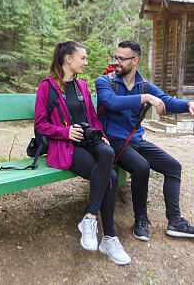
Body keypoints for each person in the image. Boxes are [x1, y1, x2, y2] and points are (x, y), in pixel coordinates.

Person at [95, 40, 194, 241]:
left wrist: (189, 103)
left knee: (173, 167)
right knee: (142, 167)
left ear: (135, 60)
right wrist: (145, 98)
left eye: (122, 59)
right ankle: (140, 219)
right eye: (116, 57)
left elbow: (167, 100)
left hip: (136, 140)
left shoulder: (143, 84)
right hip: (113, 141)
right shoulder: (105, 81)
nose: (117, 62)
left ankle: (175, 221)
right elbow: (110, 102)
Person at [34, 41, 130, 265]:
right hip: (65, 145)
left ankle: (90, 218)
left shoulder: (82, 86)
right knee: (112, 178)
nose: (86, 62)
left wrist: (100, 133)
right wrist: (64, 132)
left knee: (107, 151)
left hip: (88, 141)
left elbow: (93, 117)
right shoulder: (47, 87)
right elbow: (40, 124)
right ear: (68, 59)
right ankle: (109, 236)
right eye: (83, 58)